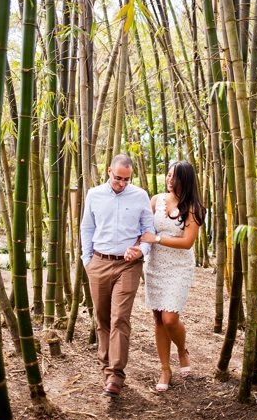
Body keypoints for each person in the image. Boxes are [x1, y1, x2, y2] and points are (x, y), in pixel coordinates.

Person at [81, 154, 155, 398]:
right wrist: (87, 260)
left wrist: (140, 251)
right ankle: (106, 370)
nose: (123, 183)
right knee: (102, 319)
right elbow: (87, 228)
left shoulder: (140, 195)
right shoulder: (94, 194)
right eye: (119, 178)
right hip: (99, 262)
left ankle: (115, 376)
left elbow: (148, 230)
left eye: (127, 179)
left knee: (120, 318)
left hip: (127, 265)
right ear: (109, 171)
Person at [139, 160, 205, 392]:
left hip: (178, 267)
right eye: (167, 175)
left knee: (170, 319)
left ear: (184, 181)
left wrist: (156, 239)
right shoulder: (156, 200)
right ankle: (165, 369)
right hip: (155, 264)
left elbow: (187, 242)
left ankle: (182, 349)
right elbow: (144, 230)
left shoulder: (194, 207)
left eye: (173, 177)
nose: (168, 180)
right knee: (158, 319)